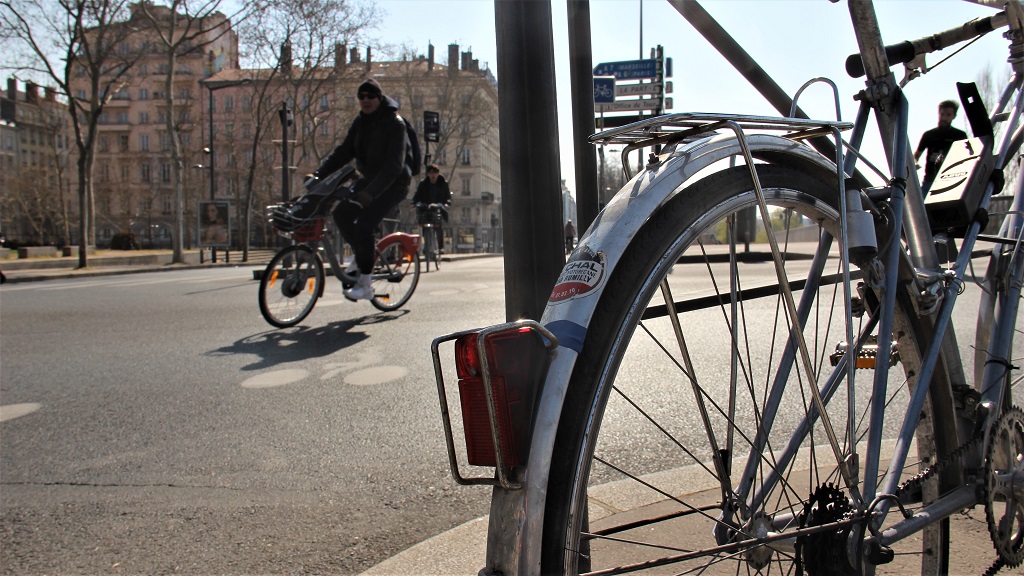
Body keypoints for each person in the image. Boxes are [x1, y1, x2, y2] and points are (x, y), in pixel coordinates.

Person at [311, 78, 412, 301]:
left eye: (370, 96)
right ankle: (362, 254)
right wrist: (319, 175)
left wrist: (370, 193)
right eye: (361, 97)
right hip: (369, 179)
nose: (365, 100)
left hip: (394, 183)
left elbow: (394, 166)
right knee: (341, 213)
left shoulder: (395, 123)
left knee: (365, 225)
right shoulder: (360, 123)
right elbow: (342, 153)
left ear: (379, 98)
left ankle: (366, 284)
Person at [914, 100, 968, 193]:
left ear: (953, 116)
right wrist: (915, 163)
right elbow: (916, 155)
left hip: (950, 180)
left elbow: (966, 156)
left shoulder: (959, 135)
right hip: (930, 180)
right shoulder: (929, 135)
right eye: (942, 114)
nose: (944, 118)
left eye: (948, 115)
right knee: (922, 206)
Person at [412, 164, 451, 255]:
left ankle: (441, 247)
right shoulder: (423, 184)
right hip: (426, 208)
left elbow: (447, 197)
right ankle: (427, 246)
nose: (433, 175)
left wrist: (446, 204)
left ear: (438, 174)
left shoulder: (443, 183)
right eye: (430, 173)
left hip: (438, 207)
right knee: (425, 227)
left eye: (435, 173)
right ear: (428, 174)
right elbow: (417, 195)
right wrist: (413, 203)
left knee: (438, 226)